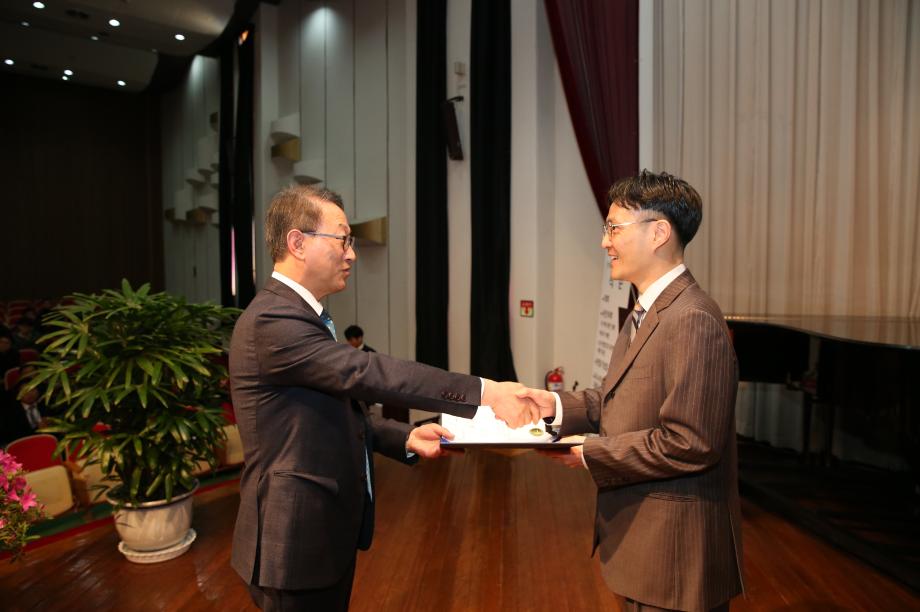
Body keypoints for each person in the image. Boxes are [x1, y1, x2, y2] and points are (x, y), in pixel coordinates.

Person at [230, 184, 539, 611]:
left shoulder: (301, 315)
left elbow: (323, 411)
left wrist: (403, 437)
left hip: (318, 536)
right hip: (293, 541)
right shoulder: (273, 319)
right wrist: (485, 392)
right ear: (297, 243)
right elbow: (368, 373)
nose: (352, 253)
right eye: (343, 239)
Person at [521, 171, 743, 612]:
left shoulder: (692, 318)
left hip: (674, 557)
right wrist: (554, 405)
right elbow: (613, 398)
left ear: (659, 233)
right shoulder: (646, 308)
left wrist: (591, 452)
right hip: (646, 546)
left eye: (614, 228)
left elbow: (691, 443)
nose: (605, 242)